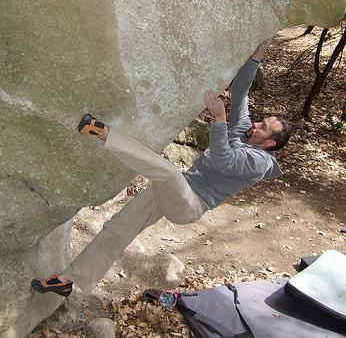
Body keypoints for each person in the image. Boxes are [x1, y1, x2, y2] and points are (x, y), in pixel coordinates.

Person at [32, 38, 291, 297]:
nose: (256, 124)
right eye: (261, 121)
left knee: (166, 171)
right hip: (176, 190)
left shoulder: (260, 163)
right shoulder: (244, 131)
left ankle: (101, 131)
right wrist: (258, 54)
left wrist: (220, 119)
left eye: (263, 127)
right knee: (119, 227)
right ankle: (66, 280)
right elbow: (242, 92)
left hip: (190, 203)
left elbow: (225, 160)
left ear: (268, 143)